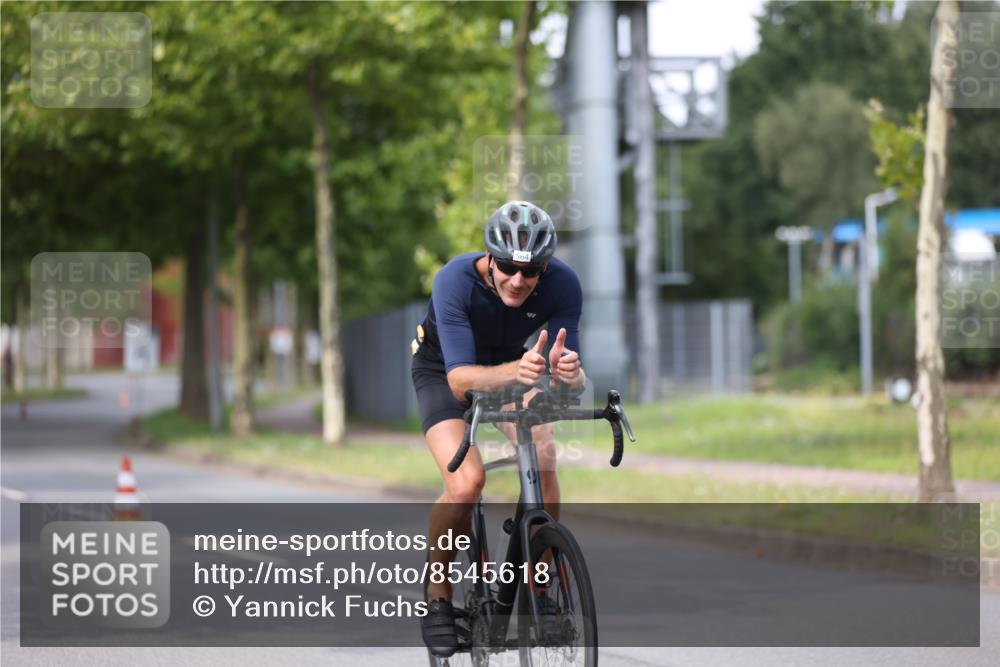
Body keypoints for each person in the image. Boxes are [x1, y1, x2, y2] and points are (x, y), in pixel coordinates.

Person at [411, 201, 586, 656]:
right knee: (467, 481)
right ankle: (439, 598)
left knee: (544, 450)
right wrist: (522, 373)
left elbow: (570, 371)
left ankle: (540, 590)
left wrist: (571, 374)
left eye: (531, 272)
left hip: (511, 370)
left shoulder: (564, 284)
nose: (518, 280)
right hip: (444, 374)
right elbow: (460, 380)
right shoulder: (455, 280)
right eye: (507, 267)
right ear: (490, 258)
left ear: (545, 269)